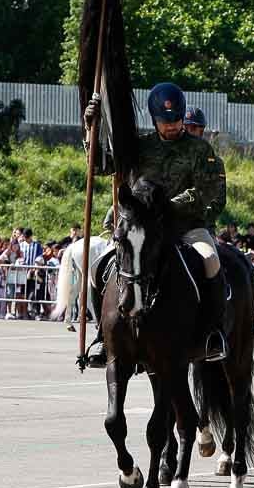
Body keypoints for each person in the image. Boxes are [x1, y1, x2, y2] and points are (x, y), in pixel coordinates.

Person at [83, 81, 229, 365]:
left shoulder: (200, 150)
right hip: (141, 231)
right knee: (96, 267)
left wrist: (166, 207)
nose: (172, 126)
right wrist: (91, 130)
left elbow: (207, 190)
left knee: (211, 260)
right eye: (165, 121)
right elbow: (102, 166)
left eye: (176, 120)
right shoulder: (140, 147)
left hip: (185, 227)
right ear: (154, 120)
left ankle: (212, 333)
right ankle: (103, 335)